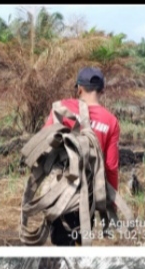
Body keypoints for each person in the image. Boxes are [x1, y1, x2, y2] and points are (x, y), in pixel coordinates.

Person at [42, 67, 119, 246]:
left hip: (60, 190)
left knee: (61, 241)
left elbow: (44, 145)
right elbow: (111, 167)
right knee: (82, 237)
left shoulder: (60, 108)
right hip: (88, 195)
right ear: (102, 90)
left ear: (79, 89)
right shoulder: (111, 121)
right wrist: (112, 203)